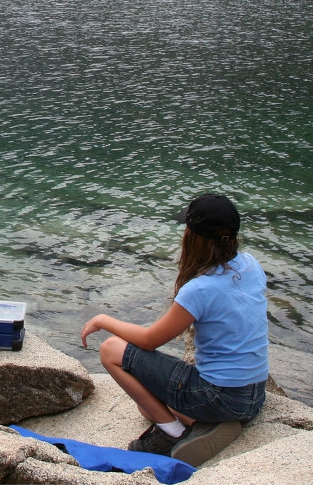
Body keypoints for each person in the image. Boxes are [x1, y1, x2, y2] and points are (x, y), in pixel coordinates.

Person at [80, 194, 268, 467]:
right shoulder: (251, 264)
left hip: (217, 396)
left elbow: (149, 340)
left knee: (111, 349)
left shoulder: (200, 288)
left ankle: (173, 432)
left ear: (194, 237)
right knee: (145, 406)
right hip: (253, 396)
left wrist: (102, 320)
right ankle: (204, 422)